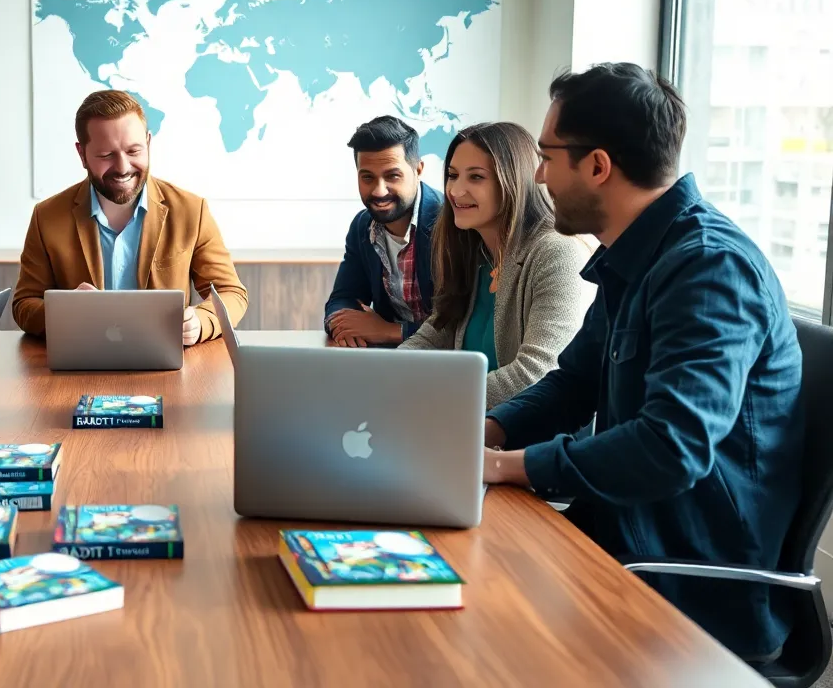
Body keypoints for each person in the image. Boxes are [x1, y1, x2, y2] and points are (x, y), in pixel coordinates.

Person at [482, 63, 803, 665]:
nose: (540, 176)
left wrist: (505, 466)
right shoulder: (633, 255)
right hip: (621, 537)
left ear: (598, 166)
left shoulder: (710, 269)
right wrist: (487, 432)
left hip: (686, 583)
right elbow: (575, 382)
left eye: (548, 157)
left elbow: (671, 447)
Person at [12, 89, 247, 344]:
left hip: (165, 369)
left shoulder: (192, 210)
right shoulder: (47, 217)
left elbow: (231, 292)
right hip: (80, 364)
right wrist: (67, 313)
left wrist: (201, 322)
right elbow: (24, 304)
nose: (123, 168)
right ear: (82, 154)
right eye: (106, 155)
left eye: (133, 151)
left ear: (148, 143)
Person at [398, 122, 592, 408]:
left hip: (526, 441)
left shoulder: (558, 252)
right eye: (452, 176)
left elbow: (537, 373)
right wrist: (387, 373)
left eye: (476, 177)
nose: (456, 191)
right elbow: (434, 334)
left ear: (513, 180)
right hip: (467, 426)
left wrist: (438, 400)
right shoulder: (472, 251)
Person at [325, 116, 444, 347]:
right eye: (367, 177)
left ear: (418, 170)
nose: (379, 191)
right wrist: (344, 326)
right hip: (389, 363)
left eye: (392, 176)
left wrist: (392, 331)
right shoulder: (362, 226)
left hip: (448, 366)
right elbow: (343, 298)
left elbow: (461, 325)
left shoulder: (451, 223)